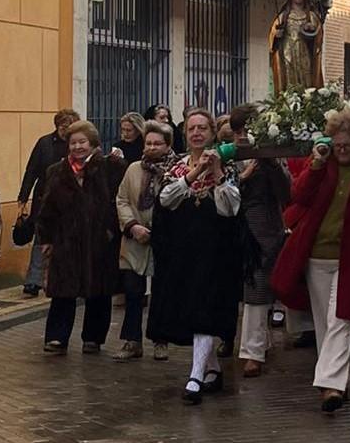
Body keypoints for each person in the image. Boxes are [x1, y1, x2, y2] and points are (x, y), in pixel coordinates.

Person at [271, 107, 350, 412]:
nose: (342, 151)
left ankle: (329, 385)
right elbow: (298, 195)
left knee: (342, 318)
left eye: (348, 146)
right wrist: (315, 165)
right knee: (325, 324)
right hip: (317, 254)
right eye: (337, 145)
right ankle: (341, 382)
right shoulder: (322, 164)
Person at [148, 109, 241, 404]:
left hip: (216, 249)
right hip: (184, 247)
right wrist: (195, 173)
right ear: (185, 134)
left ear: (212, 132)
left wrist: (215, 172)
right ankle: (211, 370)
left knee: (205, 309)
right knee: (191, 307)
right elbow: (166, 199)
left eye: (203, 128)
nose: (197, 133)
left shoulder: (228, 165)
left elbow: (230, 207)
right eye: (192, 129)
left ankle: (195, 377)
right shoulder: (174, 166)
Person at [37, 120, 126, 354]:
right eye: (73, 142)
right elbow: (46, 209)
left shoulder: (108, 167)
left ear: (93, 143)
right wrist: (46, 239)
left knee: (99, 291)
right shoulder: (56, 171)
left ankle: (93, 338)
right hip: (66, 240)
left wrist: (111, 232)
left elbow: (119, 200)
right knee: (62, 291)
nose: (78, 147)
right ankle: (57, 337)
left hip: (99, 241)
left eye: (82, 142)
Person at [228, 105, 291, 378]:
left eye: (249, 130)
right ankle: (253, 341)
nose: (244, 136)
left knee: (258, 286)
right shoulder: (228, 156)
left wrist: (271, 162)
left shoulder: (271, 156)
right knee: (239, 289)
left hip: (263, 229)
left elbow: (287, 191)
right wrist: (242, 178)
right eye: (239, 131)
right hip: (231, 228)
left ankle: (252, 352)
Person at [114, 121, 176, 362]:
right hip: (134, 240)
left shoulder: (177, 170)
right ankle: (132, 341)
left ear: (167, 145)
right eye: (148, 143)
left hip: (164, 241)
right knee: (132, 290)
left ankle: (161, 340)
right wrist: (132, 226)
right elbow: (121, 200)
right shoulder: (133, 169)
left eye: (157, 143)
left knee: (162, 292)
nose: (151, 147)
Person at [17, 109, 80, 296]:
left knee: (68, 239)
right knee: (40, 238)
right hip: (44, 199)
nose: (65, 131)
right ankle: (33, 281)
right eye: (62, 127)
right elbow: (32, 170)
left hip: (70, 200)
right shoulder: (45, 143)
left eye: (69, 127)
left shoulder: (77, 145)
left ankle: (65, 277)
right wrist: (23, 197)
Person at [269, 0, 324, 93]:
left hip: (305, 55)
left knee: (307, 84)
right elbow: (272, 39)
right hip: (288, 55)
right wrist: (276, 36)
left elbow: (318, 40)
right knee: (290, 85)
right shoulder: (283, 16)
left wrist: (312, 31)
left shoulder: (312, 16)